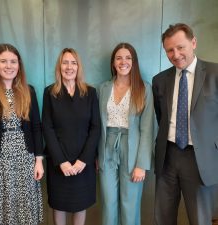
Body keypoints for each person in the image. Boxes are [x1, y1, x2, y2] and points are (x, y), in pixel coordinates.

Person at [152, 23, 218, 225]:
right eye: (170, 50)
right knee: (163, 218)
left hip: (200, 160)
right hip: (167, 158)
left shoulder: (215, 73)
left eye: (180, 47)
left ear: (194, 42)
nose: (176, 54)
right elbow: (160, 116)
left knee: (200, 220)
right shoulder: (159, 80)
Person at [0, 43, 44, 225]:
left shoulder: (29, 91)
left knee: (23, 210)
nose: (8, 66)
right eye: (3, 61)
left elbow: (36, 127)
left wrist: (38, 161)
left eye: (13, 62)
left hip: (25, 160)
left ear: (19, 65)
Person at [98, 43, 156, 225]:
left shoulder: (144, 88)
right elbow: (97, 125)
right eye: (119, 58)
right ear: (113, 62)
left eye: (128, 57)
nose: (123, 62)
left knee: (130, 204)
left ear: (134, 62)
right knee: (108, 203)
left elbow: (147, 129)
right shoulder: (103, 88)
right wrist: (96, 154)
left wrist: (142, 164)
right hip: (107, 148)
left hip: (132, 149)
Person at [42, 48, 101, 225]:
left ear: (78, 66)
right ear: (59, 66)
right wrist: (61, 161)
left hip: (83, 161)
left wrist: (84, 160)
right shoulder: (50, 92)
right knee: (59, 205)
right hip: (58, 161)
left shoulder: (90, 92)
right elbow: (47, 127)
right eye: (65, 62)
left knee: (80, 204)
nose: (69, 67)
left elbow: (95, 128)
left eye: (73, 62)